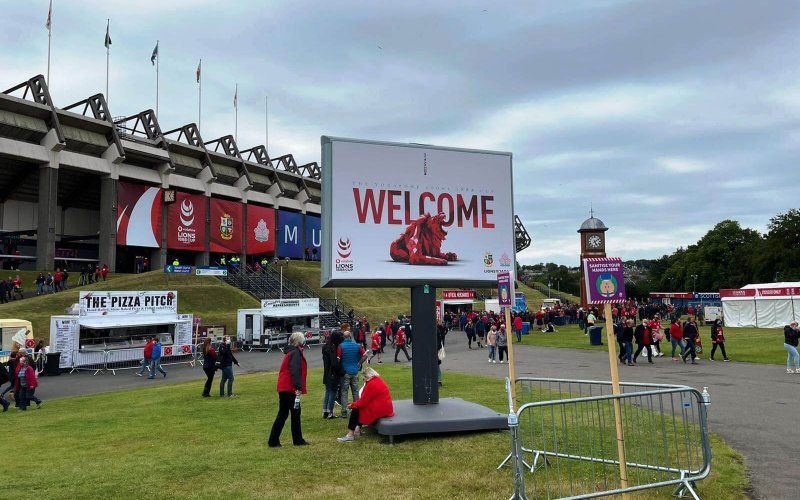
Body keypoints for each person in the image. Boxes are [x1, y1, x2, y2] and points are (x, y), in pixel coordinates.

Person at [268, 332, 309, 447]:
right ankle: (292, 440)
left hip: (285, 387)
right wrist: (298, 387)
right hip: (289, 388)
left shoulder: (290, 352)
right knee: (290, 414)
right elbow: (295, 371)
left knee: (286, 414)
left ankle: (290, 439)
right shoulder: (295, 353)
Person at [337, 367, 394, 442]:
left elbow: (362, 403)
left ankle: (350, 435)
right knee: (359, 407)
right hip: (386, 408)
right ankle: (357, 430)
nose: (364, 378)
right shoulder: (377, 380)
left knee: (356, 410)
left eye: (365, 376)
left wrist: (352, 405)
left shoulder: (371, 384)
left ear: (369, 376)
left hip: (381, 410)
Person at [338, 329, 367, 418]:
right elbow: (365, 355)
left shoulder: (340, 346)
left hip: (345, 372)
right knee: (355, 391)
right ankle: (357, 410)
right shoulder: (357, 345)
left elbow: (338, 359)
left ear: (343, 337)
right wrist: (359, 363)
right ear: (350, 337)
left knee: (344, 392)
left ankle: (344, 412)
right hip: (355, 371)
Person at [322, 331, 343, 419]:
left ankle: (325, 411)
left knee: (328, 391)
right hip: (333, 373)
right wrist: (340, 371)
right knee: (333, 392)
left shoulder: (326, 347)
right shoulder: (333, 348)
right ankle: (330, 412)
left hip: (326, 372)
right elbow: (334, 363)